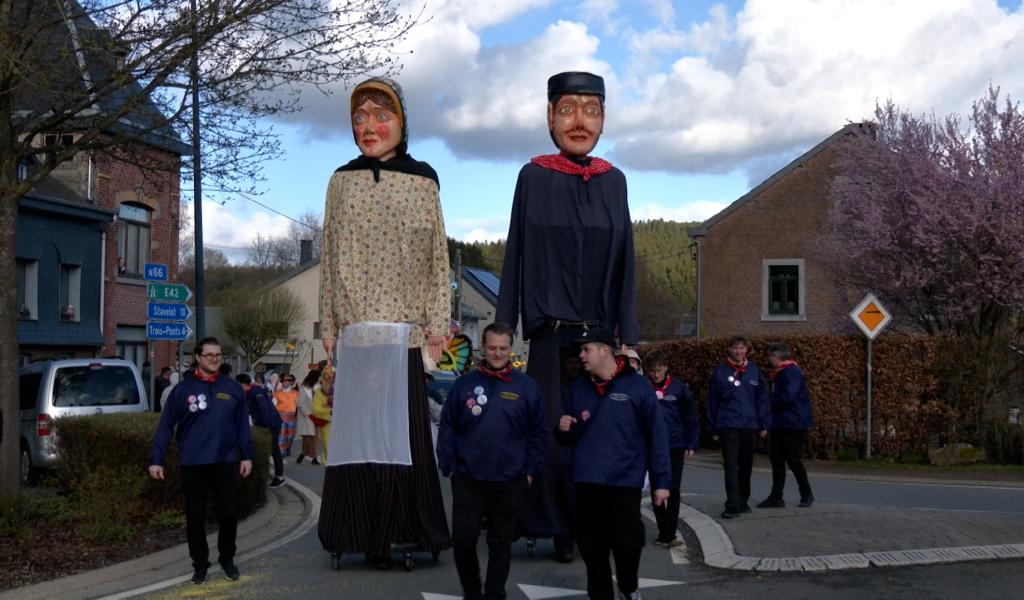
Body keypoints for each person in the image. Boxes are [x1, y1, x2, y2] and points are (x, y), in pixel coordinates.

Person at [497, 71, 638, 563]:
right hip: (549, 337)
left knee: (597, 435)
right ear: (550, 116)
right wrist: (502, 327)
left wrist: (629, 337)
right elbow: (515, 252)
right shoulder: (533, 176)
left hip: (598, 339)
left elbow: (626, 263)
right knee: (550, 437)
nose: (580, 121)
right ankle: (551, 527)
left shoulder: (613, 181)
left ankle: (589, 525)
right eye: (568, 109)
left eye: (591, 110)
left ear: (603, 118)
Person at [317, 76, 451, 568]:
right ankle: (355, 530)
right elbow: (329, 258)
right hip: (357, 336)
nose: (368, 127)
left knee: (406, 436)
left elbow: (438, 255)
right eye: (359, 118)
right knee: (358, 437)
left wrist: (438, 322)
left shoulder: (423, 179)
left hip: (407, 337)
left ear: (401, 123)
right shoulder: (340, 181)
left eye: (380, 116)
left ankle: (406, 528)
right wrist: (328, 327)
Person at [555, 327, 670, 600]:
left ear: (605, 350)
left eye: (586, 349)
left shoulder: (637, 386)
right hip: (587, 481)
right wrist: (563, 429)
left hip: (624, 481)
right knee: (592, 550)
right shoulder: (579, 387)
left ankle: (629, 587)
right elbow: (570, 435)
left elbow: (657, 435)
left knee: (627, 545)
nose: (581, 355)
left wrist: (661, 482)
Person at [436, 322, 547, 600]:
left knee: (500, 543)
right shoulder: (465, 384)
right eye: (492, 348)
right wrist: (447, 464)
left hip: (510, 479)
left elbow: (538, 433)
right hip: (468, 478)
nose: (497, 353)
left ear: (511, 348)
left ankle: (495, 593)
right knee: (463, 539)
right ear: (482, 348)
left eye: (503, 348)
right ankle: (472, 591)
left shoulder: (527, 387)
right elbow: (447, 426)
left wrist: (531, 471)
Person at [148, 337, 253, 584]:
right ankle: (200, 564)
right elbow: (165, 427)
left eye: (218, 355)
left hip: (225, 461)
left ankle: (227, 560)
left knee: (228, 515)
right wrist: (156, 459)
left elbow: (242, 427)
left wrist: (247, 455)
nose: (214, 359)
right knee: (195, 517)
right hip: (193, 463)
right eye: (209, 355)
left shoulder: (232, 388)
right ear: (197, 357)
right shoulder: (182, 390)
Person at [706, 335, 770, 519]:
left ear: (746, 350)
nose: (738, 351)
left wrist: (764, 422)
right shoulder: (720, 372)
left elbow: (762, 399)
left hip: (749, 425)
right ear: (729, 349)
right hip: (728, 424)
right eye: (735, 348)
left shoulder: (754, 370)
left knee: (746, 465)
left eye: (742, 348)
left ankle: (743, 500)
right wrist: (713, 428)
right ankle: (732, 504)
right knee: (731, 466)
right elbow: (712, 401)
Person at [643, 349, 699, 547]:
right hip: (653, 446)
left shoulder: (678, 388)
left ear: (666, 368)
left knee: (673, 488)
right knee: (657, 487)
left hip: (675, 444)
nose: (655, 374)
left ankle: (669, 531)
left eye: (658, 370)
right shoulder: (644, 388)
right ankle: (664, 529)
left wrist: (691, 442)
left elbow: (690, 416)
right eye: (652, 371)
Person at [757, 342, 815, 508]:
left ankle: (806, 493)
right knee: (777, 461)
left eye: (769, 356)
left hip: (793, 424)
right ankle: (777, 496)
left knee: (793, 460)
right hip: (782, 423)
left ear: (775, 357)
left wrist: (768, 401)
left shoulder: (790, 372)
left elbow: (787, 396)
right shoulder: (783, 373)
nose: (769, 360)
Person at [237, 373, 286, 488]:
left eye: (240, 386)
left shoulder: (256, 392)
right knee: (273, 450)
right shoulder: (250, 392)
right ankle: (278, 475)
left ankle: (279, 477)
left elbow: (264, 411)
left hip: (271, 425)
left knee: (274, 449)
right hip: (267, 424)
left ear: (246, 384)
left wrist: (263, 427)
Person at [310, 366, 334, 465]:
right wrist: (329, 411)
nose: (329, 376)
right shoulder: (320, 392)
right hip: (328, 425)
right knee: (329, 446)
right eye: (326, 374)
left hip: (344, 426)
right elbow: (315, 409)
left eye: (332, 374)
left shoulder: (343, 390)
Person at [296, 369, 320, 464]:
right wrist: (308, 413)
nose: (320, 379)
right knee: (308, 437)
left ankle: (303, 453)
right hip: (306, 417)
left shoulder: (318, 387)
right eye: (318, 377)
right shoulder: (304, 388)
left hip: (317, 415)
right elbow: (300, 403)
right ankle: (313, 456)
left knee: (314, 437)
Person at [273, 373, 298, 458]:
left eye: (287, 381)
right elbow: (273, 405)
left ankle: (287, 448)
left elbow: (300, 405)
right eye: (284, 381)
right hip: (281, 417)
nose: (285, 383)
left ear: (290, 382)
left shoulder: (296, 393)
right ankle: (281, 452)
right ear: (282, 382)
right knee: (281, 435)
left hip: (292, 417)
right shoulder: (277, 393)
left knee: (291, 435)